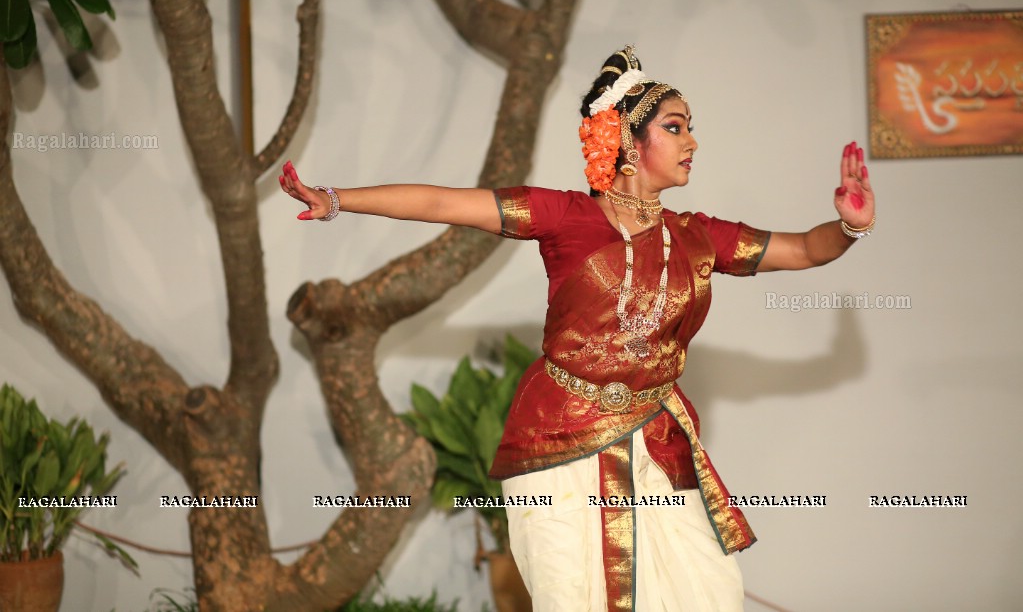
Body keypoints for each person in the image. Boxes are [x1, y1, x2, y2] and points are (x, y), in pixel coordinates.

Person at [279, 45, 875, 612]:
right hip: (560, 443)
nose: (693, 141)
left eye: (690, 126)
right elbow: (442, 203)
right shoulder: (566, 217)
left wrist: (847, 227)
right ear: (628, 142)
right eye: (675, 126)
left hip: (654, 441)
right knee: (574, 597)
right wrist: (336, 200)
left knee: (704, 594)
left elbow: (801, 250)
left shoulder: (696, 235)